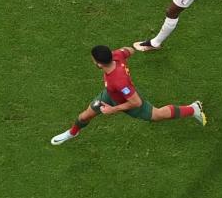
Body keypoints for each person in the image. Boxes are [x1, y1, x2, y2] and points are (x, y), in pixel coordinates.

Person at [50, 45, 206, 145]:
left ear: (99, 64)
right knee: (84, 116)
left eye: (93, 60)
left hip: (126, 101)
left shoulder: (119, 81)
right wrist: (133, 48)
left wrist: (113, 110)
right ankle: (72, 133)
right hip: (109, 96)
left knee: (157, 115)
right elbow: (128, 50)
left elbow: (136, 102)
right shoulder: (116, 55)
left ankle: (194, 109)